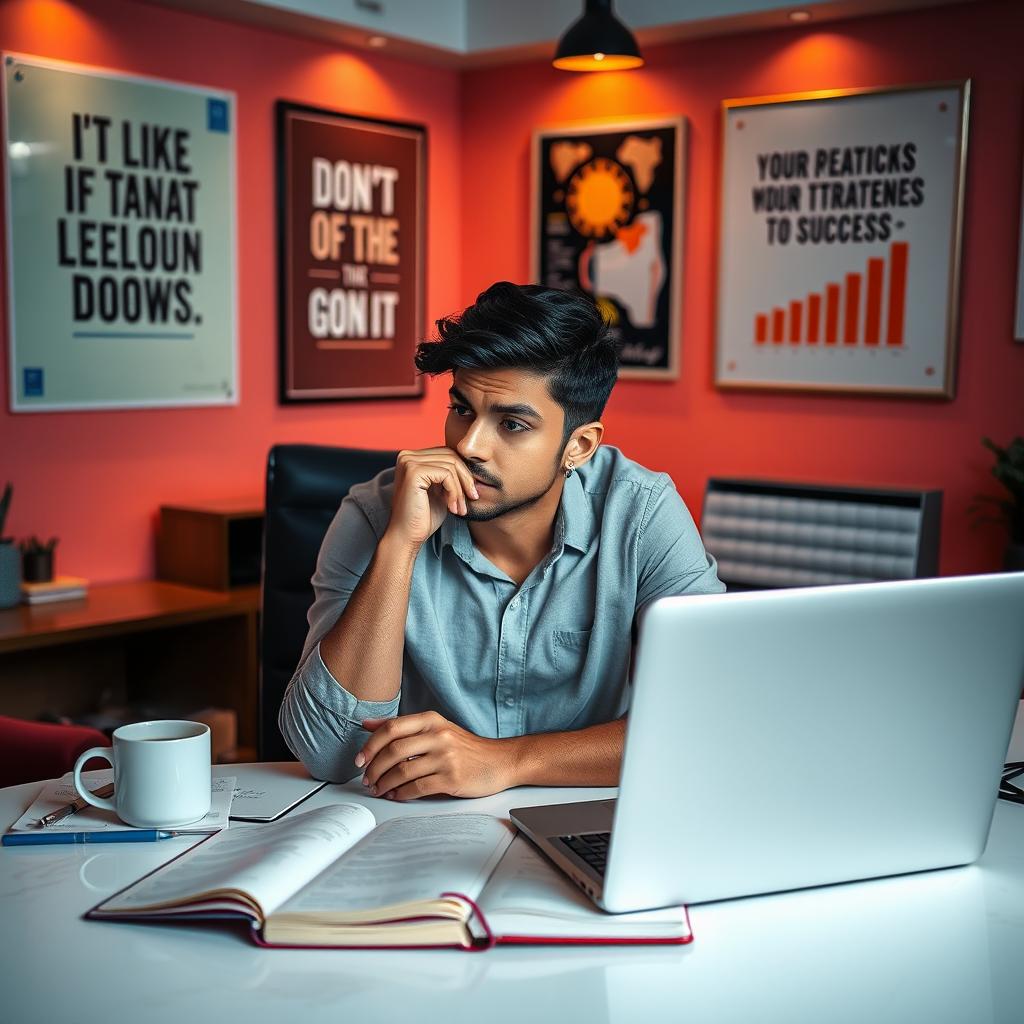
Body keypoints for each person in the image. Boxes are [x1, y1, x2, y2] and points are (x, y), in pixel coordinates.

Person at [279, 282, 724, 799]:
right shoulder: (378, 514)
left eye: (512, 424)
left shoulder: (641, 514)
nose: (469, 445)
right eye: (461, 409)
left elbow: (709, 723)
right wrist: (400, 545)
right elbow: (328, 751)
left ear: (578, 446)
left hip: (582, 822)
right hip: (414, 826)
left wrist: (508, 762)